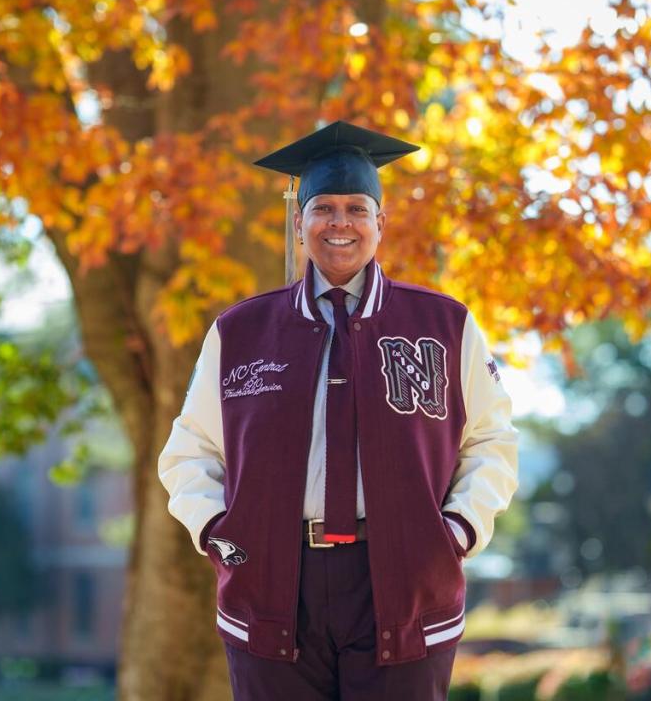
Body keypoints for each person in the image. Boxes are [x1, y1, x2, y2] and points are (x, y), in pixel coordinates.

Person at [157, 120, 519, 700]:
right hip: (272, 583)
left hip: (406, 582)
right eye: (323, 208)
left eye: (357, 207)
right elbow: (190, 452)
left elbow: (491, 442)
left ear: (381, 222)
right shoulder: (241, 332)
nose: (340, 223)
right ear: (299, 225)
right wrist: (220, 537)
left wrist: (456, 532)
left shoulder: (445, 325)